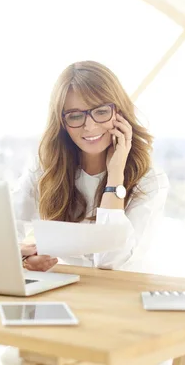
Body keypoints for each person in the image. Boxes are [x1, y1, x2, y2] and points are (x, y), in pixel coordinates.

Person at [12, 60, 169, 273]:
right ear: (62, 122)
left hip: (126, 293)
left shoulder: (149, 179)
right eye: (75, 116)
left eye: (101, 111)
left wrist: (115, 178)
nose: (90, 125)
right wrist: (22, 260)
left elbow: (111, 263)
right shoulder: (45, 168)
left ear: (119, 113)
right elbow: (4, 235)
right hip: (70, 290)